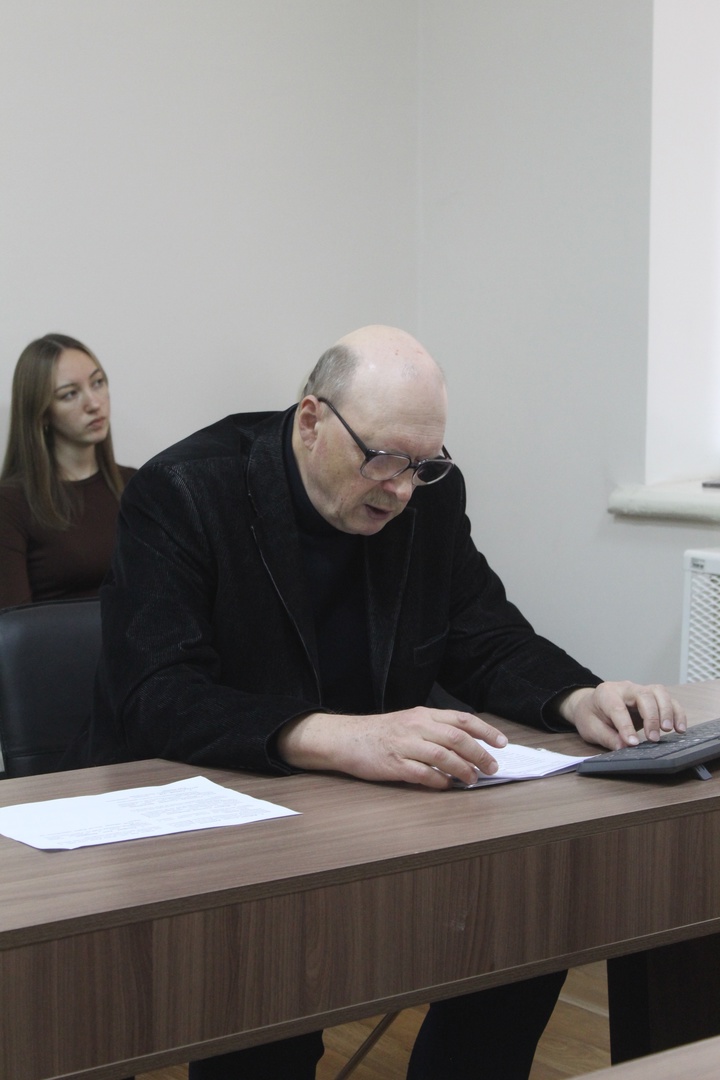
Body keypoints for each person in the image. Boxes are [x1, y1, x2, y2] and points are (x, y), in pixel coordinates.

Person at [85, 325, 685, 1080]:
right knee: (267, 1015)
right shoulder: (184, 490)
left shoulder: (428, 493)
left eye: (424, 464)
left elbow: (484, 634)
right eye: (384, 458)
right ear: (312, 421)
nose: (402, 488)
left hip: (369, 812)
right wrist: (343, 737)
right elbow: (157, 694)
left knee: (526, 928)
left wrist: (580, 695)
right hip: (223, 818)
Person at [0, 333, 135, 609]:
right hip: (59, 639)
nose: (94, 403)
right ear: (41, 413)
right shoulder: (11, 504)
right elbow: (13, 628)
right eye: (70, 394)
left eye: (97, 383)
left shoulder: (137, 485)